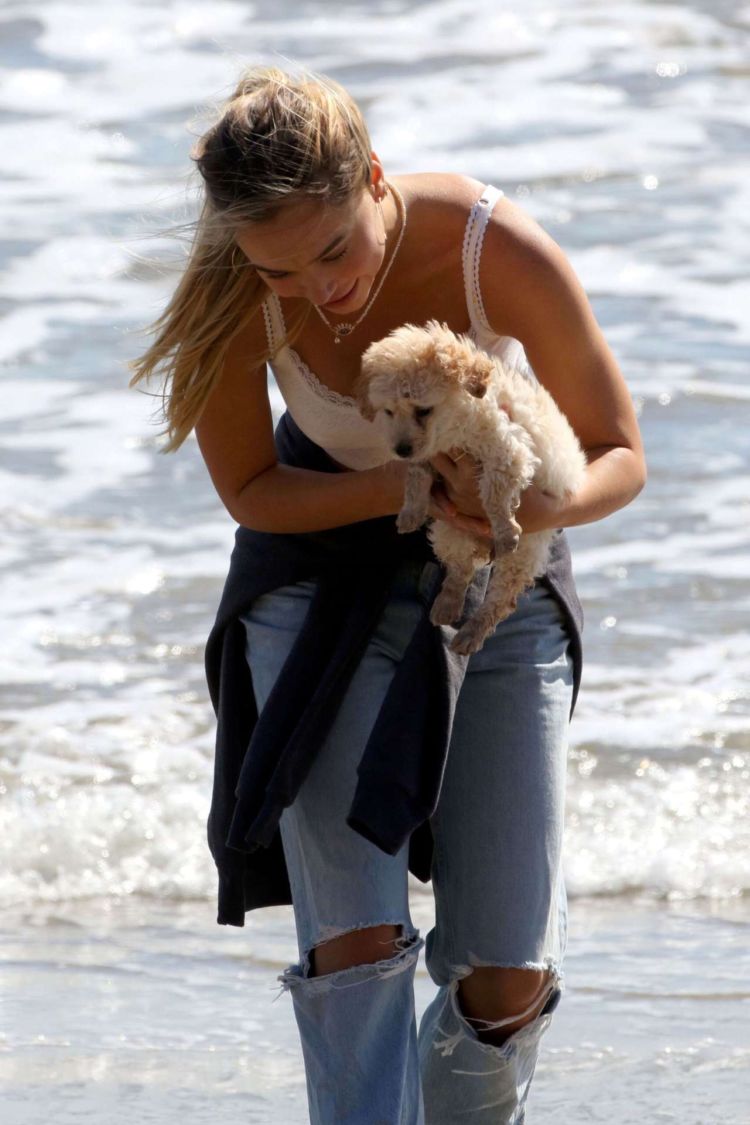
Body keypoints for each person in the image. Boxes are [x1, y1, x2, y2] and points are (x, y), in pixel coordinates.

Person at [129, 65, 645, 1125]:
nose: (320, 291)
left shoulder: (484, 243)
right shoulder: (242, 292)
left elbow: (619, 453)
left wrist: (518, 515)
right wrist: (409, 485)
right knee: (356, 948)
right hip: (320, 584)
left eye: (332, 250)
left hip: (502, 562)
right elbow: (255, 493)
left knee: (506, 975)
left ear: (371, 179)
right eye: (280, 272)